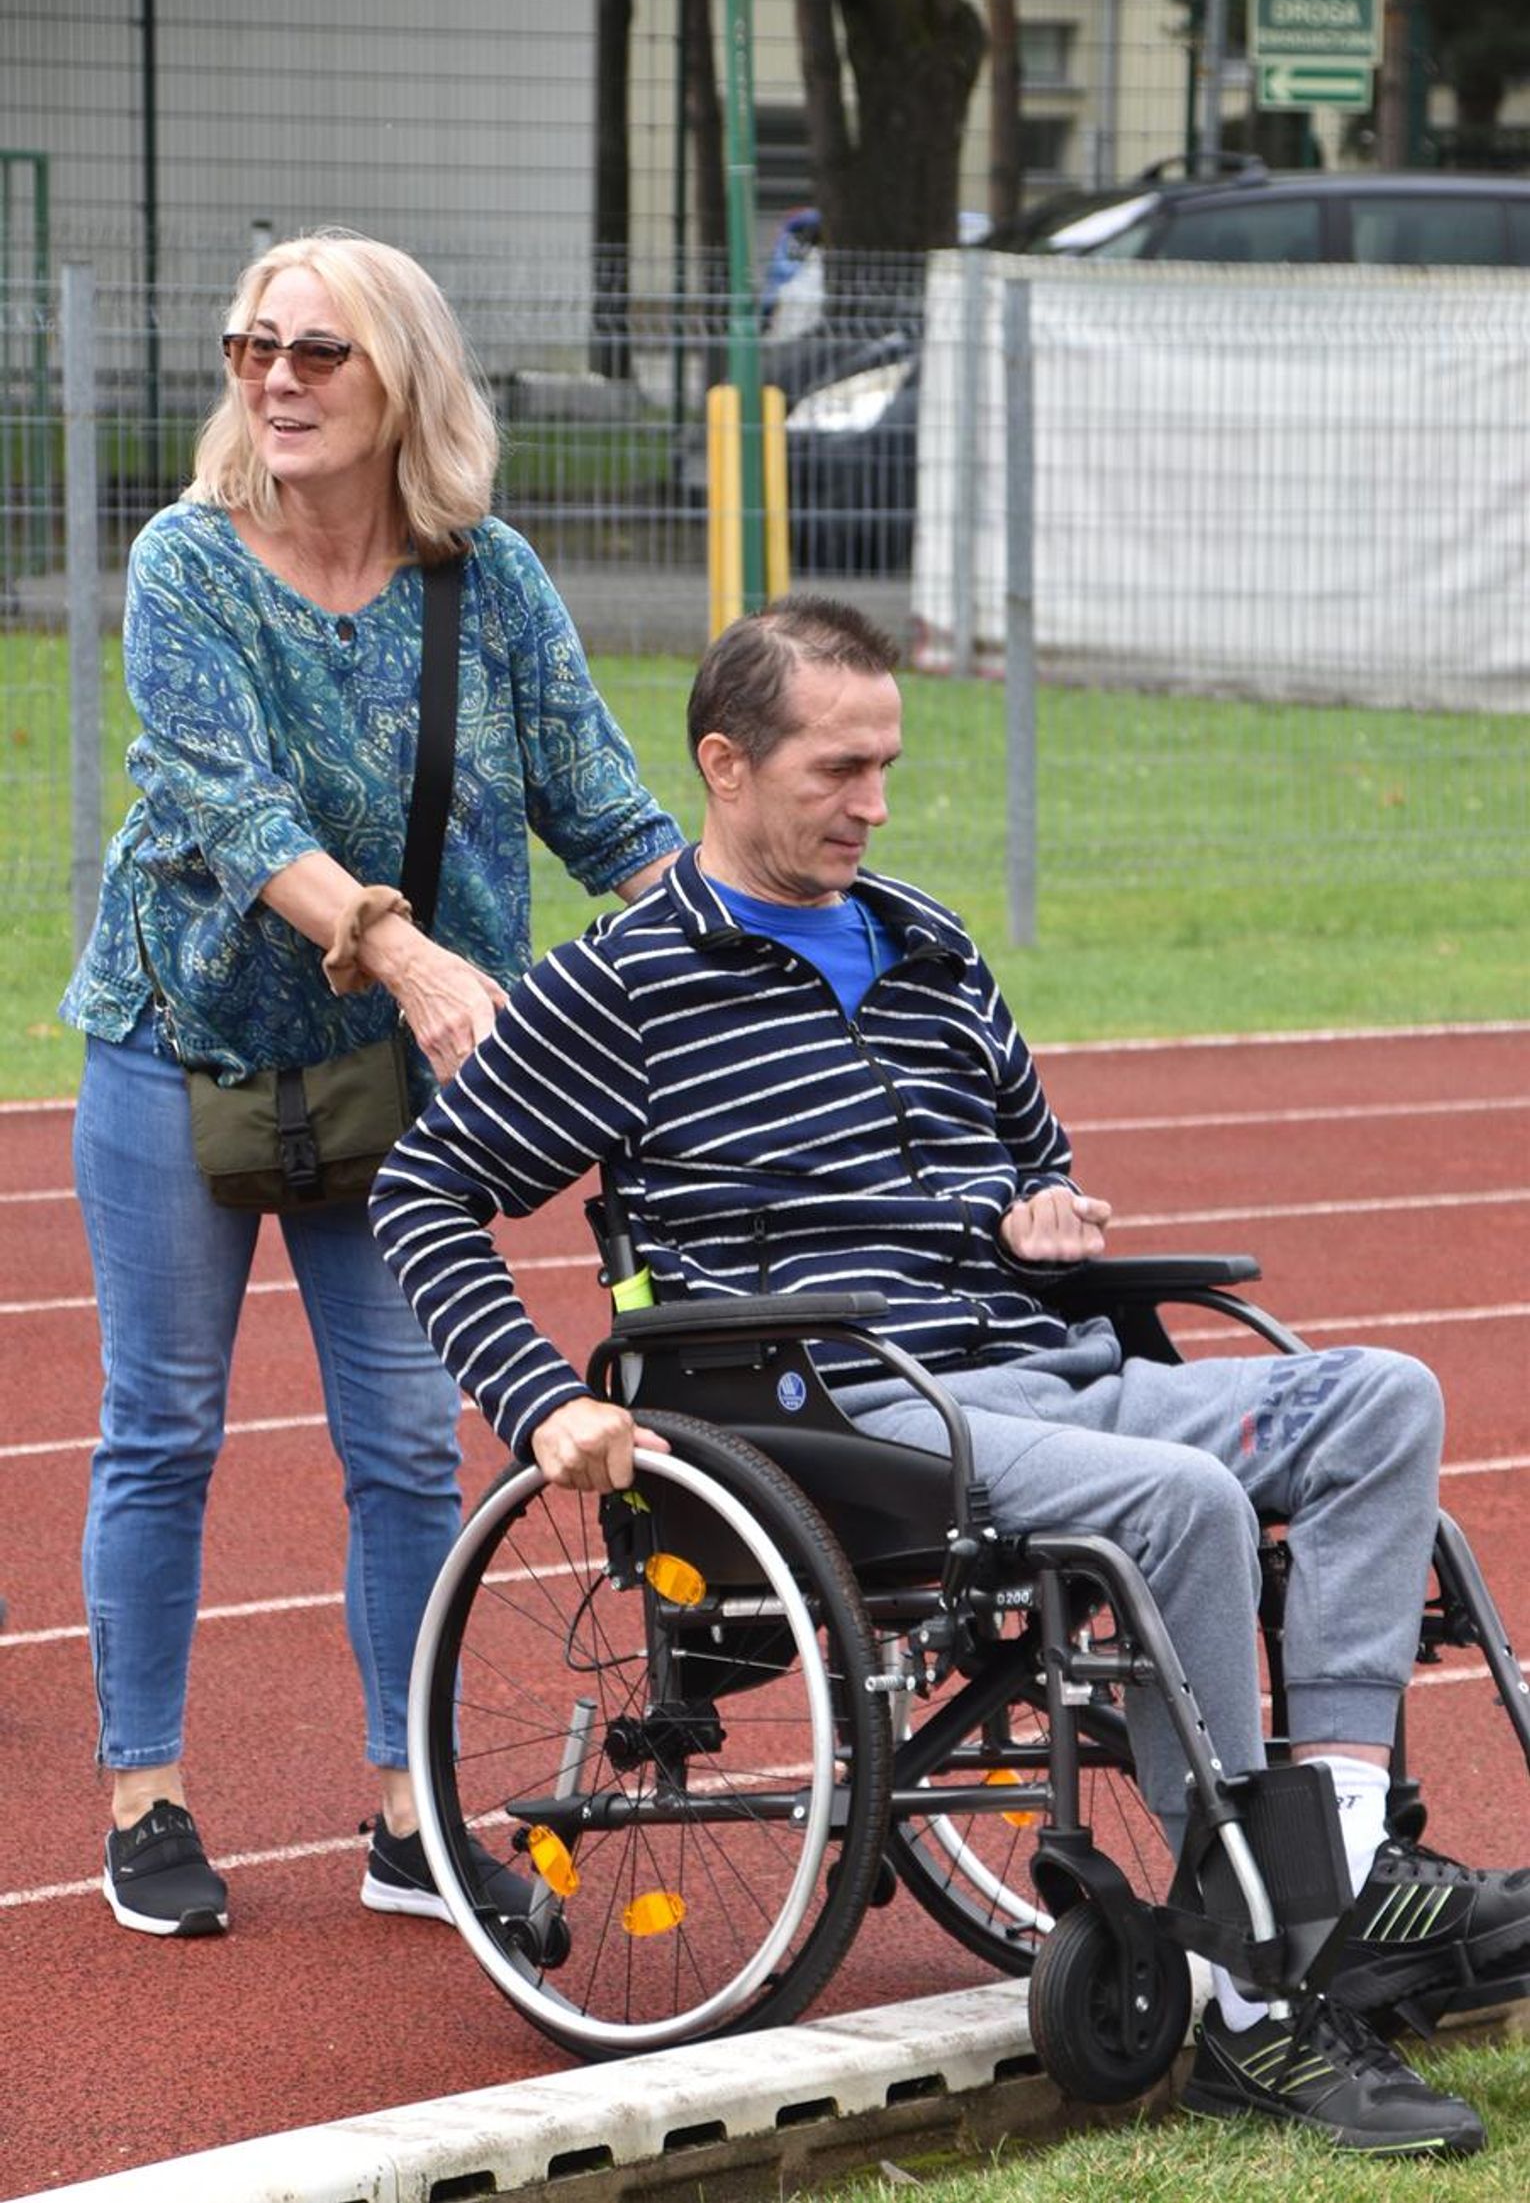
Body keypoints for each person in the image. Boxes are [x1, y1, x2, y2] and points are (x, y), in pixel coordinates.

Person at [371, 594, 1528, 2158]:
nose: (872, 804)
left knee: (1381, 1396)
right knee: (1180, 1501)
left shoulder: (928, 945)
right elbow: (421, 1192)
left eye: (887, 768)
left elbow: (1036, 1162)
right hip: (842, 1412)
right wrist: (542, 1398)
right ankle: (1259, 2011)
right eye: (836, 770)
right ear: (724, 763)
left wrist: (1044, 1214)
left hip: (1038, 1365)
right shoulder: (622, 984)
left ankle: (1331, 1874)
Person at [61, 228, 682, 1941]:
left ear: (404, 378)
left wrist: (746, 946)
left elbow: (606, 812)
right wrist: (405, 952)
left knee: (407, 1443)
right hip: (180, 1034)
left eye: (317, 351)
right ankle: (145, 1791)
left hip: (394, 1080)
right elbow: (233, 809)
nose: (275, 377)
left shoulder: (489, 578)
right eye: (252, 345)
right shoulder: (189, 560)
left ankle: (411, 1811)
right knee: (161, 1426)